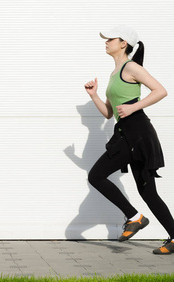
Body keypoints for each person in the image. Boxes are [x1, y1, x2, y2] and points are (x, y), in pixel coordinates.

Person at [84, 25, 174, 254]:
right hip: (126, 132)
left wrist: (134, 107)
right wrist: (94, 95)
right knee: (148, 192)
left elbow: (160, 90)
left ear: (123, 43)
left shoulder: (131, 67)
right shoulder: (114, 73)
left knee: (96, 175)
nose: (106, 42)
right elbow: (109, 113)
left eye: (110, 39)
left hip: (138, 133)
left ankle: (134, 217)